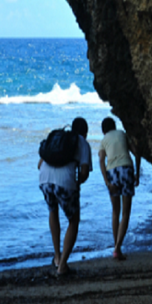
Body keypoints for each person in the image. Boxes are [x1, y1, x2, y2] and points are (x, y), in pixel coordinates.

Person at [38, 117, 92, 276]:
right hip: (64, 182)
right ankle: (62, 266)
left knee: (53, 211)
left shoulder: (59, 139)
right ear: (85, 132)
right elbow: (83, 172)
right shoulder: (82, 142)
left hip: (44, 180)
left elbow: (39, 164)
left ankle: (56, 257)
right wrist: (77, 184)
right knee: (73, 220)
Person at [98, 116, 141, 261]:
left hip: (112, 173)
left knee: (115, 212)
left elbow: (101, 161)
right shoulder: (122, 134)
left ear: (104, 131)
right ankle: (117, 248)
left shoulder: (104, 141)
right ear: (114, 126)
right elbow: (137, 153)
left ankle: (116, 247)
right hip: (126, 169)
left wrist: (106, 181)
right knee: (126, 213)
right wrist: (137, 174)